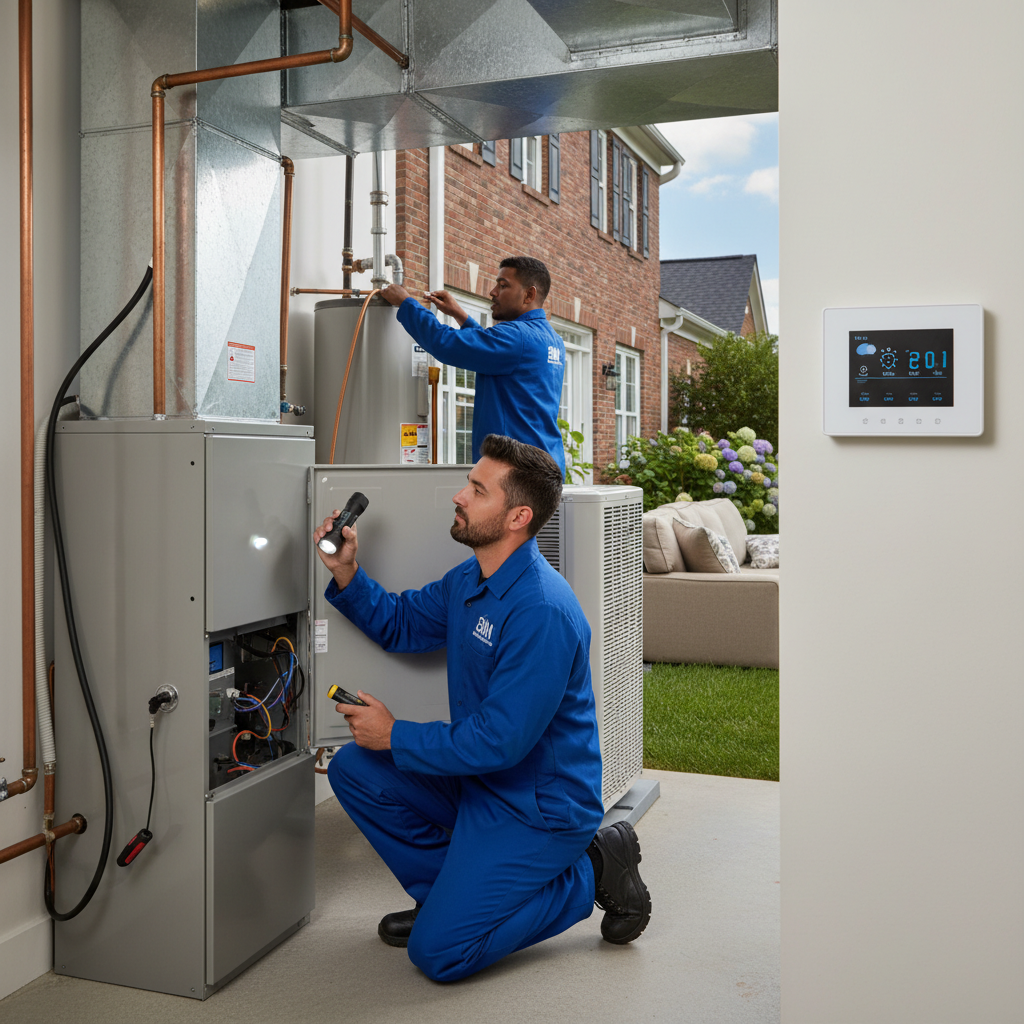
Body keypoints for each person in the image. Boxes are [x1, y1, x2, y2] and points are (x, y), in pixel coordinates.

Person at [315, 435, 651, 982]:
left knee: (439, 954)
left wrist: (394, 736)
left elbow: (500, 741)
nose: (459, 496)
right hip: (480, 784)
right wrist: (347, 572)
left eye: (476, 489)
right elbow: (401, 624)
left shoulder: (540, 609)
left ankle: (592, 868)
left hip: (538, 808)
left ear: (518, 516)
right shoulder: (471, 578)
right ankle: (446, 897)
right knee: (355, 769)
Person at [379, 257, 567, 475]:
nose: (493, 291)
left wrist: (406, 303)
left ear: (529, 295)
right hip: (545, 466)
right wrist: (460, 315)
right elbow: (493, 349)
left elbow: (445, 344)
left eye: (503, 285)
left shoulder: (517, 337)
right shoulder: (552, 340)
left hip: (514, 472)